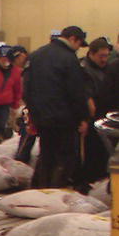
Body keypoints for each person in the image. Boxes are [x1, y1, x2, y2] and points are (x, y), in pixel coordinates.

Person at [23, 25, 90, 190]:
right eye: (79, 44)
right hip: (64, 119)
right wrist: (83, 117)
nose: (78, 49)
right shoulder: (69, 59)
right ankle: (55, 191)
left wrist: (33, 113)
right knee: (64, 156)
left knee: (46, 154)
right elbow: (76, 92)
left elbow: (27, 88)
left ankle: (39, 190)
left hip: (41, 117)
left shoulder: (37, 55)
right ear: (73, 39)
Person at [80, 37, 113, 188]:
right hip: (90, 119)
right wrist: (85, 119)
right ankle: (88, 183)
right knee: (92, 155)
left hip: (104, 118)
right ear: (91, 54)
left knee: (103, 155)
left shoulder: (106, 68)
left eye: (106, 56)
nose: (104, 59)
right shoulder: (84, 69)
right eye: (101, 56)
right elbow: (86, 97)